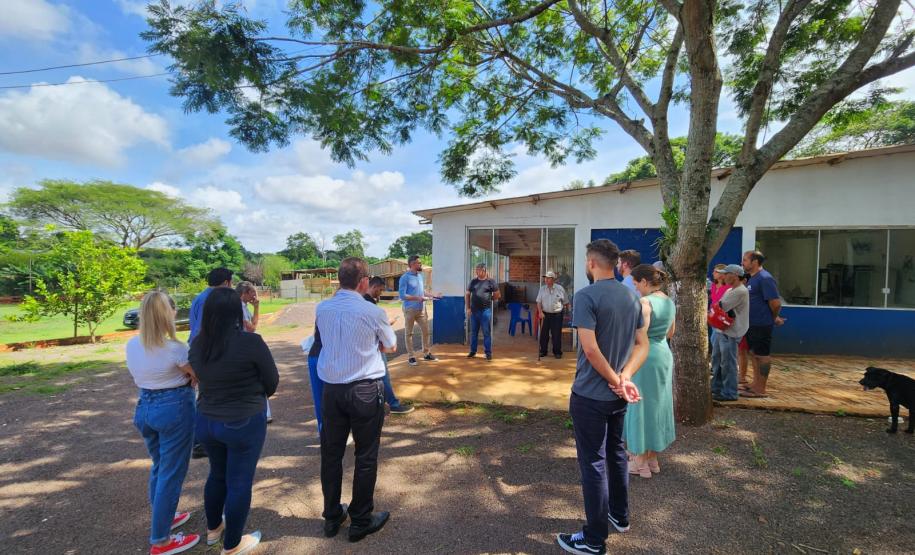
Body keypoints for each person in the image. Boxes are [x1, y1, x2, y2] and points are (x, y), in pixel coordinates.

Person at [557, 239, 649, 555]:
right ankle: (619, 516)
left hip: (589, 396)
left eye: (586, 261)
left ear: (592, 263)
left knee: (593, 464)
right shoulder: (631, 296)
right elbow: (642, 345)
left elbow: (590, 349)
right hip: (616, 397)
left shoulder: (586, 296)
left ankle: (594, 539)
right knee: (616, 454)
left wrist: (615, 380)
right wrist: (624, 379)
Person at [190, 287, 279, 555]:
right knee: (239, 480)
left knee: (217, 474)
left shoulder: (197, 345)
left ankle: (213, 529)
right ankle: (233, 544)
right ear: (235, 313)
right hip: (242, 419)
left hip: (206, 420)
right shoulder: (251, 343)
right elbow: (271, 382)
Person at [317, 257, 397, 543]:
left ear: (340, 279)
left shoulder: (322, 308)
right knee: (365, 455)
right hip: (364, 388)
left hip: (332, 390)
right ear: (364, 281)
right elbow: (390, 345)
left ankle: (331, 516)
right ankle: (360, 519)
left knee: (331, 453)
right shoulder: (371, 311)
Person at [126, 292, 200, 555]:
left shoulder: (132, 345)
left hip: (144, 406)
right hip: (174, 407)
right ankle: (161, 540)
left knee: (160, 466)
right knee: (172, 472)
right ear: (165, 313)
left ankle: (164, 516)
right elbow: (195, 374)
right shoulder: (176, 348)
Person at [623, 264, 677, 479]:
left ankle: (638, 461)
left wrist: (626, 363)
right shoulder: (669, 301)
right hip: (664, 353)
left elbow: (640, 338)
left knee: (639, 405)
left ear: (644, 282)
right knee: (658, 405)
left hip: (646, 357)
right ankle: (652, 457)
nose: (636, 289)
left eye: (636, 284)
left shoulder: (645, 303)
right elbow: (671, 332)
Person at [189, 268, 233, 459]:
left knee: (208, 397)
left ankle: (207, 439)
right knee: (206, 398)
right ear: (226, 282)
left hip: (202, 351)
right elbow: (201, 331)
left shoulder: (201, 297)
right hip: (208, 353)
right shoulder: (211, 300)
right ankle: (200, 442)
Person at [365, 276, 414, 414]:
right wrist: (388, 322)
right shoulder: (368, 303)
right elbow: (391, 345)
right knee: (383, 374)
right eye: (380, 290)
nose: (380, 293)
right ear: (373, 287)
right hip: (374, 345)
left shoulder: (361, 301)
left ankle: (381, 402)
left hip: (367, 345)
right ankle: (393, 404)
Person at [740, 251, 784, 398]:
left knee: (762, 355)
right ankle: (755, 383)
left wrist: (773, 317)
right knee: (754, 353)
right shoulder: (752, 279)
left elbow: (775, 303)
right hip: (751, 323)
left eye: (745, 260)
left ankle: (761, 389)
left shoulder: (765, 278)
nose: (743, 263)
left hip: (761, 324)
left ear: (755, 262)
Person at [711, 265, 750, 402]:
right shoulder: (730, 290)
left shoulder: (740, 291)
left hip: (731, 333)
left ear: (734, 275)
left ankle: (730, 392)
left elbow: (720, 306)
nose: (723, 276)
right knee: (717, 361)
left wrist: (714, 309)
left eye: (726, 274)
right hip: (723, 330)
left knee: (728, 364)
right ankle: (716, 389)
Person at [237, 281, 272, 424]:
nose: (255, 295)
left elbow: (253, 323)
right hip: (243, 346)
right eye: (252, 292)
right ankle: (263, 412)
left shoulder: (244, 306)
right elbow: (252, 328)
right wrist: (257, 308)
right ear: (244, 293)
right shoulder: (239, 306)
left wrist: (256, 307)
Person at [398, 255, 439, 366]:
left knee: (426, 331)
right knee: (409, 333)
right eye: (418, 263)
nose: (420, 264)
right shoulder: (405, 278)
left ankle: (426, 354)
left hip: (421, 309)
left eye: (420, 263)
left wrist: (433, 295)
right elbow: (402, 295)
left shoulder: (420, 276)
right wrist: (418, 298)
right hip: (410, 309)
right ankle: (411, 356)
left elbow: (422, 292)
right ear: (412, 264)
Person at [465, 263, 500, 360]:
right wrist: (468, 308)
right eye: (476, 269)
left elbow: (498, 294)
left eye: (478, 269)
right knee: (474, 332)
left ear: (484, 270)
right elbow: (467, 294)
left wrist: (490, 299)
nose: (476, 271)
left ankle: (488, 353)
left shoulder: (491, 282)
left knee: (486, 332)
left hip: (485, 311)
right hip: (474, 311)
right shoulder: (473, 282)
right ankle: (473, 351)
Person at [536, 270, 569, 359]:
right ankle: (543, 351)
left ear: (553, 279)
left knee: (556, 334)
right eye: (545, 278)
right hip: (545, 314)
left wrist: (566, 313)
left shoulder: (560, 289)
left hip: (557, 315)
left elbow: (566, 302)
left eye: (548, 278)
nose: (546, 280)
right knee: (544, 334)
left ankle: (557, 352)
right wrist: (540, 312)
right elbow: (538, 302)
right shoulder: (542, 289)